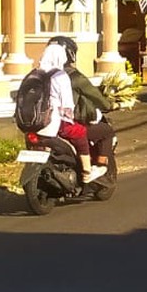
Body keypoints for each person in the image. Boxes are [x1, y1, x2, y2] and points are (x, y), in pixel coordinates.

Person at [35, 40, 106, 184]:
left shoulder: (35, 75)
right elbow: (68, 105)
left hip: (33, 124)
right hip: (54, 123)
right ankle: (87, 171)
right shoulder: (60, 76)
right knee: (81, 134)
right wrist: (70, 118)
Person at [49, 36, 116, 178]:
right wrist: (109, 105)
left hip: (43, 125)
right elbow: (94, 96)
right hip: (65, 124)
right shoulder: (73, 76)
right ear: (70, 54)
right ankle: (98, 167)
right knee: (107, 131)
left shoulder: (41, 74)